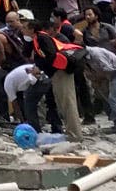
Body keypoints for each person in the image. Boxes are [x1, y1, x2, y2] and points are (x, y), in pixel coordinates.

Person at [31, 13, 88, 143]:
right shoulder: (42, 38)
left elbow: (51, 57)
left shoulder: (43, 39)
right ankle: (71, 132)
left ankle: (74, 135)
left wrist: (43, 68)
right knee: (64, 104)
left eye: (24, 27)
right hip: (59, 72)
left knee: (67, 103)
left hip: (60, 72)